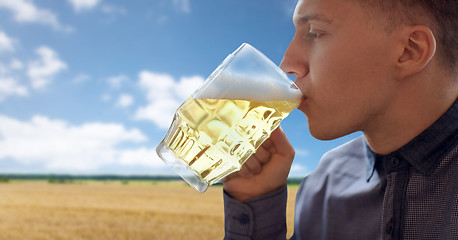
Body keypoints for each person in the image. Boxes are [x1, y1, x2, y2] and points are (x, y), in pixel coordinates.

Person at [222, 0, 458, 239]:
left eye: (315, 33)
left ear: (410, 50)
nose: (287, 64)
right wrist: (255, 202)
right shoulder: (323, 183)